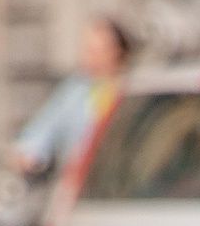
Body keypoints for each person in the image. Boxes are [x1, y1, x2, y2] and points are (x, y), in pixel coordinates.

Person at [13, 12, 133, 179]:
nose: (87, 57)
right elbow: (43, 130)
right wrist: (27, 153)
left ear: (116, 52)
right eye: (87, 49)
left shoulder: (132, 90)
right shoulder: (74, 91)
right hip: (79, 185)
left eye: (95, 51)